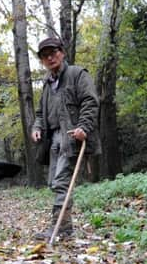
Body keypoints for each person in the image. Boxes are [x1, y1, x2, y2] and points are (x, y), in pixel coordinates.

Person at [31, 37, 101, 240]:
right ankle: (65, 228)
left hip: (71, 137)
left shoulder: (77, 74)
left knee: (62, 181)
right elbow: (40, 113)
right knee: (55, 182)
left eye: (53, 52)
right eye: (45, 56)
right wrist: (37, 127)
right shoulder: (47, 84)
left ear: (62, 52)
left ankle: (59, 229)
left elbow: (90, 101)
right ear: (42, 61)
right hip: (53, 139)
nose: (50, 57)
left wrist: (83, 127)